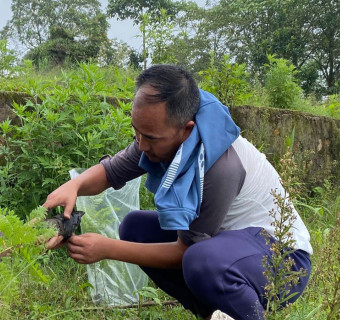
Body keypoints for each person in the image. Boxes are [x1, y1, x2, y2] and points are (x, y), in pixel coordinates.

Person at [44, 65, 313, 320]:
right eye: (137, 133)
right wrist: (73, 187)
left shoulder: (219, 167)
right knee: (135, 227)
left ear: (186, 130)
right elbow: (111, 171)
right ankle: (213, 315)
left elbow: (185, 252)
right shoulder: (161, 135)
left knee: (200, 260)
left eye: (150, 137)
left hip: (283, 260)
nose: (141, 144)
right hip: (229, 245)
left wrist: (108, 248)